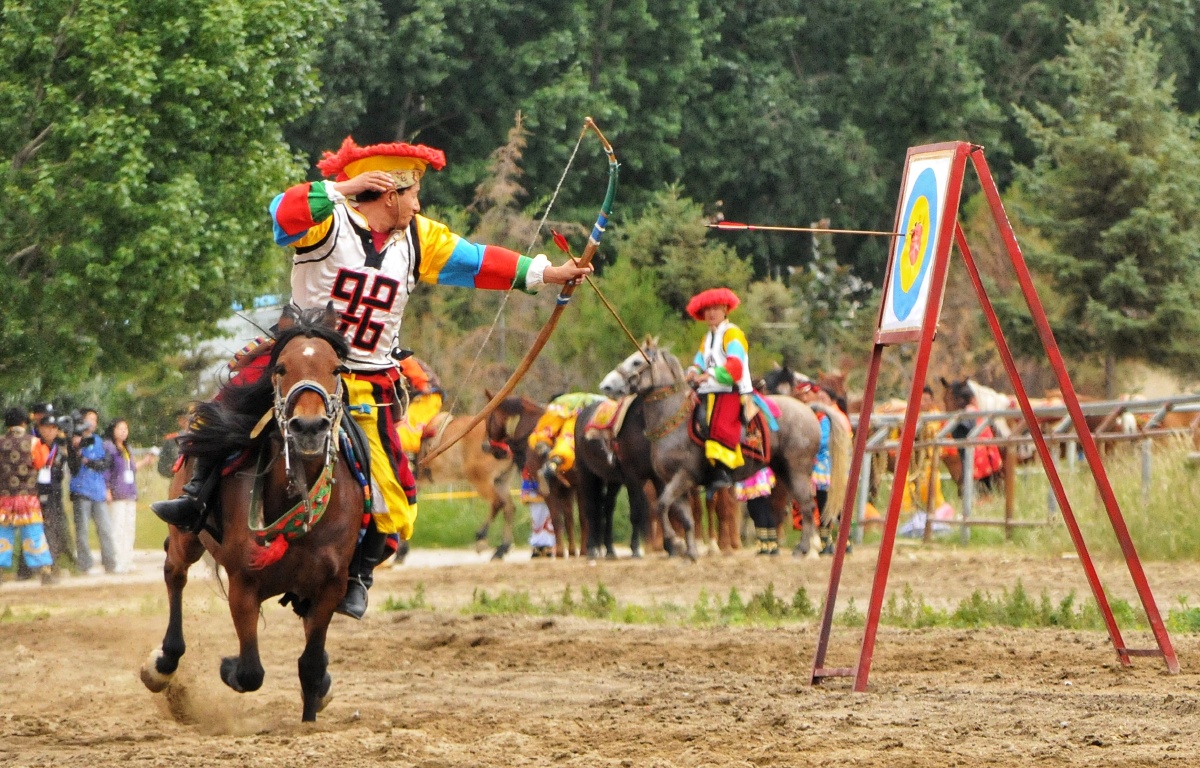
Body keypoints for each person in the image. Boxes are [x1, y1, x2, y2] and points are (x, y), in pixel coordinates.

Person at [153, 136, 591, 618]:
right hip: (299, 366)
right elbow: (282, 214)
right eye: (412, 193)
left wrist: (548, 274)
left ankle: (354, 574)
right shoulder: (326, 222)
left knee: (393, 496)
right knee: (225, 421)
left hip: (368, 382)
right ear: (387, 194)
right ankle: (193, 501)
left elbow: (477, 261)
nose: (418, 203)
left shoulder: (420, 238)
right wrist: (342, 187)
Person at [684, 288, 751, 489]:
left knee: (715, 424)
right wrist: (692, 372)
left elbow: (735, 366)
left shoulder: (733, 334)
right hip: (708, 389)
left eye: (715, 308)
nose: (711, 313)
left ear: (725, 309)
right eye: (706, 310)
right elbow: (699, 361)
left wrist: (709, 375)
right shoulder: (708, 337)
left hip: (730, 389)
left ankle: (723, 470)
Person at [0, 408, 55, 584]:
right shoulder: (34, 443)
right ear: (24, 422)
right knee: (33, 533)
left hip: (4, 498)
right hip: (27, 497)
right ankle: (45, 571)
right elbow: (43, 463)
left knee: (3, 534)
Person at [68, 408, 117, 574]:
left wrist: (87, 460)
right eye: (89, 419)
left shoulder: (98, 441)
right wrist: (75, 449)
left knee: (105, 528)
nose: (92, 423)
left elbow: (104, 464)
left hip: (98, 489)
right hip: (81, 489)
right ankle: (85, 564)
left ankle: (110, 562)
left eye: (95, 419)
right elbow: (73, 467)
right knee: (82, 530)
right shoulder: (74, 441)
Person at [103, 418, 155, 574]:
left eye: (126, 429)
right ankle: (117, 561)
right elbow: (107, 470)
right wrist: (107, 490)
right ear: (113, 430)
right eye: (120, 428)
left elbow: (131, 469)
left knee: (129, 528)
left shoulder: (127, 448)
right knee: (117, 527)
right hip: (117, 493)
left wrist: (145, 462)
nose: (123, 432)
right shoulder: (109, 448)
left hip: (129, 493)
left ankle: (128, 559)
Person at [528, 392, 608, 492]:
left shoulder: (558, 402)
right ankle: (553, 464)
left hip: (558, 408)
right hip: (586, 411)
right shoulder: (603, 400)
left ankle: (543, 447)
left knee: (543, 431)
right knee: (568, 437)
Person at [35, 415, 74, 575]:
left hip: (55, 493)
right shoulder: (36, 445)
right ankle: (34, 567)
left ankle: (53, 563)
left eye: (54, 428)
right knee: (38, 528)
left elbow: (73, 466)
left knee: (55, 528)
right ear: (40, 428)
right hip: (38, 492)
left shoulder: (60, 447)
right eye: (47, 427)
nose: (50, 431)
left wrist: (70, 444)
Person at [520, 470, 555, 558]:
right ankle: (537, 545)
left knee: (548, 518)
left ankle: (548, 545)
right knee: (536, 518)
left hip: (549, 487)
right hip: (533, 488)